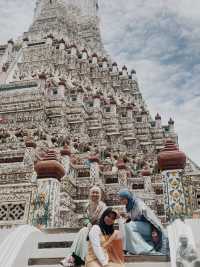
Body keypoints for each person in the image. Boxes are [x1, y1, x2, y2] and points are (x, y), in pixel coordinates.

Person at [61, 186, 106, 266]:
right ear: (89, 194)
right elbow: (84, 218)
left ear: (100, 195)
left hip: (99, 229)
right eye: (93, 192)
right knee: (83, 231)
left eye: (97, 192)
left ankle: (74, 259)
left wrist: (93, 225)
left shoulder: (103, 207)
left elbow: (104, 220)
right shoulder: (87, 206)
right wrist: (88, 223)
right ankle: (73, 257)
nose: (95, 194)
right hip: (89, 228)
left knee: (88, 231)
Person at [118, 189, 168, 255]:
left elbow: (150, 218)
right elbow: (133, 218)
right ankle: (131, 249)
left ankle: (146, 249)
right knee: (124, 226)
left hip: (151, 228)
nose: (120, 201)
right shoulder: (128, 207)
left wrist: (154, 230)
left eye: (122, 199)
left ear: (127, 198)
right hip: (142, 229)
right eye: (120, 199)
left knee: (128, 226)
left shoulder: (138, 204)